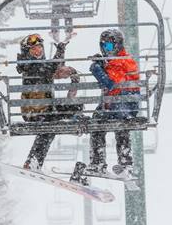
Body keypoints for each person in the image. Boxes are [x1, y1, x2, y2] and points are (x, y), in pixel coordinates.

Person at [17, 34, 82, 170]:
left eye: (40, 48)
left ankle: (34, 161)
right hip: (34, 111)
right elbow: (51, 68)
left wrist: (71, 73)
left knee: (72, 109)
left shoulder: (41, 65)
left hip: (44, 110)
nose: (38, 51)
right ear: (27, 52)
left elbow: (55, 69)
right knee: (50, 125)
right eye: (34, 49)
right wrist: (60, 51)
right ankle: (34, 160)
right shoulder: (29, 66)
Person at [86, 29, 140, 178]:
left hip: (122, 103)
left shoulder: (121, 60)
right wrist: (102, 65)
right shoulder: (117, 61)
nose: (105, 50)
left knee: (108, 124)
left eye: (109, 47)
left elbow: (112, 84)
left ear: (117, 46)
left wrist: (97, 69)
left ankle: (102, 163)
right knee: (102, 124)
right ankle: (121, 163)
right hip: (117, 104)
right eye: (103, 47)